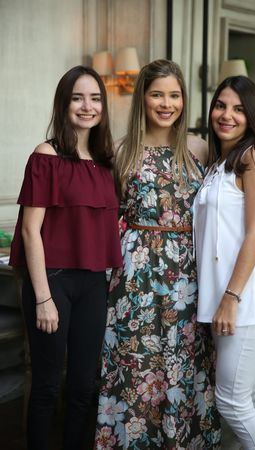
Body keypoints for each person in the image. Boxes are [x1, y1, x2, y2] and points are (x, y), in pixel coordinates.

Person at [94, 59, 221, 450]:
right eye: (157, 95)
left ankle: (179, 441)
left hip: (188, 274)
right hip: (134, 276)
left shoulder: (199, 147)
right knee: (135, 362)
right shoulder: (121, 150)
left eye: (175, 95)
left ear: (184, 99)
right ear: (142, 98)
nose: (167, 104)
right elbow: (106, 214)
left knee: (182, 362)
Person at [9, 65, 122, 450]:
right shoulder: (47, 155)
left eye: (95, 98)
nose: (87, 106)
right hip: (52, 281)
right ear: (64, 103)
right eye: (78, 98)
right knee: (46, 384)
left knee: (82, 386)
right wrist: (43, 298)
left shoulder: (106, 163)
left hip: (93, 284)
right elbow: (29, 230)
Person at [194, 75, 255, 450]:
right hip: (227, 300)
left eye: (238, 109)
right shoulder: (219, 163)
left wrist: (230, 297)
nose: (227, 115)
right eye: (220, 105)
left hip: (245, 301)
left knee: (231, 403)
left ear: (252, 116)